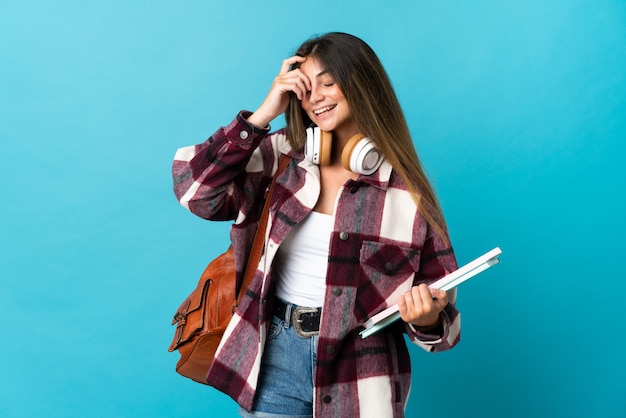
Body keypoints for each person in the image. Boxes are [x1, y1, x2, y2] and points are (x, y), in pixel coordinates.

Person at [172, 32, 460, 418]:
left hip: (361, 371)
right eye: (306, 89)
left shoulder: (407, 195)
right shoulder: (279, 158)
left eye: (328, 82)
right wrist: (260, 117)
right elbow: (195, 192)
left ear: (362, 84)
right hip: (273, 357)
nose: (316, 98)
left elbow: (445, 329)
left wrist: (426, 318)